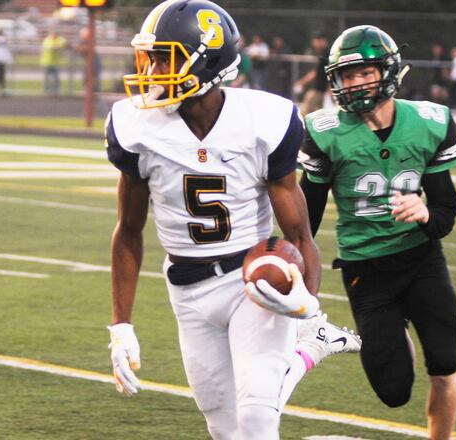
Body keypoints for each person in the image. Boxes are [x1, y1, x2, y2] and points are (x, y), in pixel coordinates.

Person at [106, 1, 361, 438]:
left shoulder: (263, 120)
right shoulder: (137, 127)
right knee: (225, 430)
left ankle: (311, 340)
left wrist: (307, 305)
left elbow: (299, 232)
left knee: (258, 421)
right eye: (152, 57)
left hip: (253, 279)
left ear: (207, 61)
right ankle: (310, 350)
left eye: (166, 57)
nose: (152, 71)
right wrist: (121, 326)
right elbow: (128, 232)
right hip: (186, 289)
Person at [298, 25, 456, 440]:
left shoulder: (429, 121)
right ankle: (393, 330)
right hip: (365, 268)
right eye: (346, 75)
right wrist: (292, 266)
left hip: (420, 259)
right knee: (393, 392)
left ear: (387, 72)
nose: (354, 83)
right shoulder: (324, 130)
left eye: (364, 73)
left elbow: (445, 213)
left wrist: (425, 211)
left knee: (444, 364)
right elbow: (305, 219)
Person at [293, 31, 330, 115]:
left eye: (316, 41)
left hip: (318, 90)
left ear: (322, 41)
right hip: (321, 90)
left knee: (303, 113)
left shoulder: (326, 55)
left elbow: (316, 73)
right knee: (321, 114)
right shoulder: (324, 54)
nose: (314, 44)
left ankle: (301, 128)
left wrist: (302, 82)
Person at [40, 29, 67, 96]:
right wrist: (56, 47)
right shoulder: (47, 40)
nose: (54, 35)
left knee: (56, 78)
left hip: (56, 62)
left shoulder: (60, 39)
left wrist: (56, 47)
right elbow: (50, 47)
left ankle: (56, 92)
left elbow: (63, 43)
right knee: (47, 78)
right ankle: (46, 92)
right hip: (47, 62)